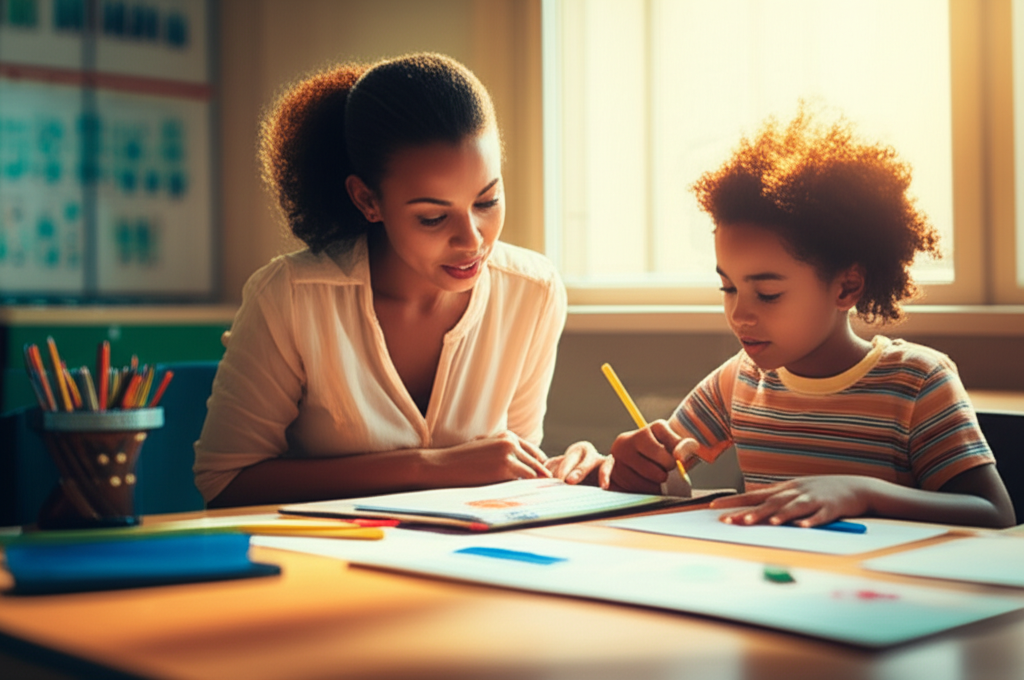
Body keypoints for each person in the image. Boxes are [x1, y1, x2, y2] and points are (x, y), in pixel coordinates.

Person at [583, 107, 1016, 528]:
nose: (739, 314)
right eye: (728, 288)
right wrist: (630, 465)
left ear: (846, 287)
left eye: (768, 294)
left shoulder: (917, 384)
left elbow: (993, 513)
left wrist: (861, 492)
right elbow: (654, 468)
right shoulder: (738, 382)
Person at [195, 53, 594, 507]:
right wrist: (431, 468)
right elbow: (225, 483)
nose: (471, 241)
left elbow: (508, 471)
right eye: (433, 217)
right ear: (368, 200)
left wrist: (570, 470)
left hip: (465, 561)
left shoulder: (533, 292)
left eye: (487, 202)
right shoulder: (290, 298)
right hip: (324, 565)